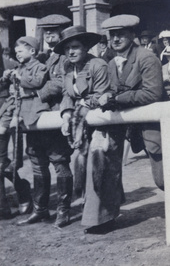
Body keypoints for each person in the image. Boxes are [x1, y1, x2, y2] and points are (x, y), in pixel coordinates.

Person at [54, 25, 125, 233]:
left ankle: (102, 219)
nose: (71, 52)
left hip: (104, 120)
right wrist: (67, 113)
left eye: (75, 47)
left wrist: (83, 105)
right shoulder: (68, 67)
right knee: (83, 165)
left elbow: (103, 93)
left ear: (86, 47)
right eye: (67, 49)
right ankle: (102, 213)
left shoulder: (97, 65)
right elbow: (67, 94)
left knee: (101, 165)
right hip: (82, 124)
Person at [17, 15, 73, 228]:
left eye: (54, 30)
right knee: (38, 165)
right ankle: (41, 209)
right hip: (34, 118)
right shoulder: (38, 57)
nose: (49, 35)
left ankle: (63, 210)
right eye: (46, 31)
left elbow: (60, 84)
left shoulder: (66, 57)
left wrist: (32, 92)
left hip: (54, 116)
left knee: (60, 163)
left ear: (62, 32)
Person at [99, 14, 164, 193]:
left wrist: (116, 99)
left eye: (121, 34)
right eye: (112, 35)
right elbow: (114, 89)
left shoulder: (146, 57)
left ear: (132, 34)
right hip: (131, 127)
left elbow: (153, 93)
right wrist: (106, 96)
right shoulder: (112, 63)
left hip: (156, 127)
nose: (116, 39)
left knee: (163, 179)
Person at [0, 42, 32, 220]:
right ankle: (7, 202)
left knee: (2, 164)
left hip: (6, 118)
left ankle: (20, 191)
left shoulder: (10, 65)